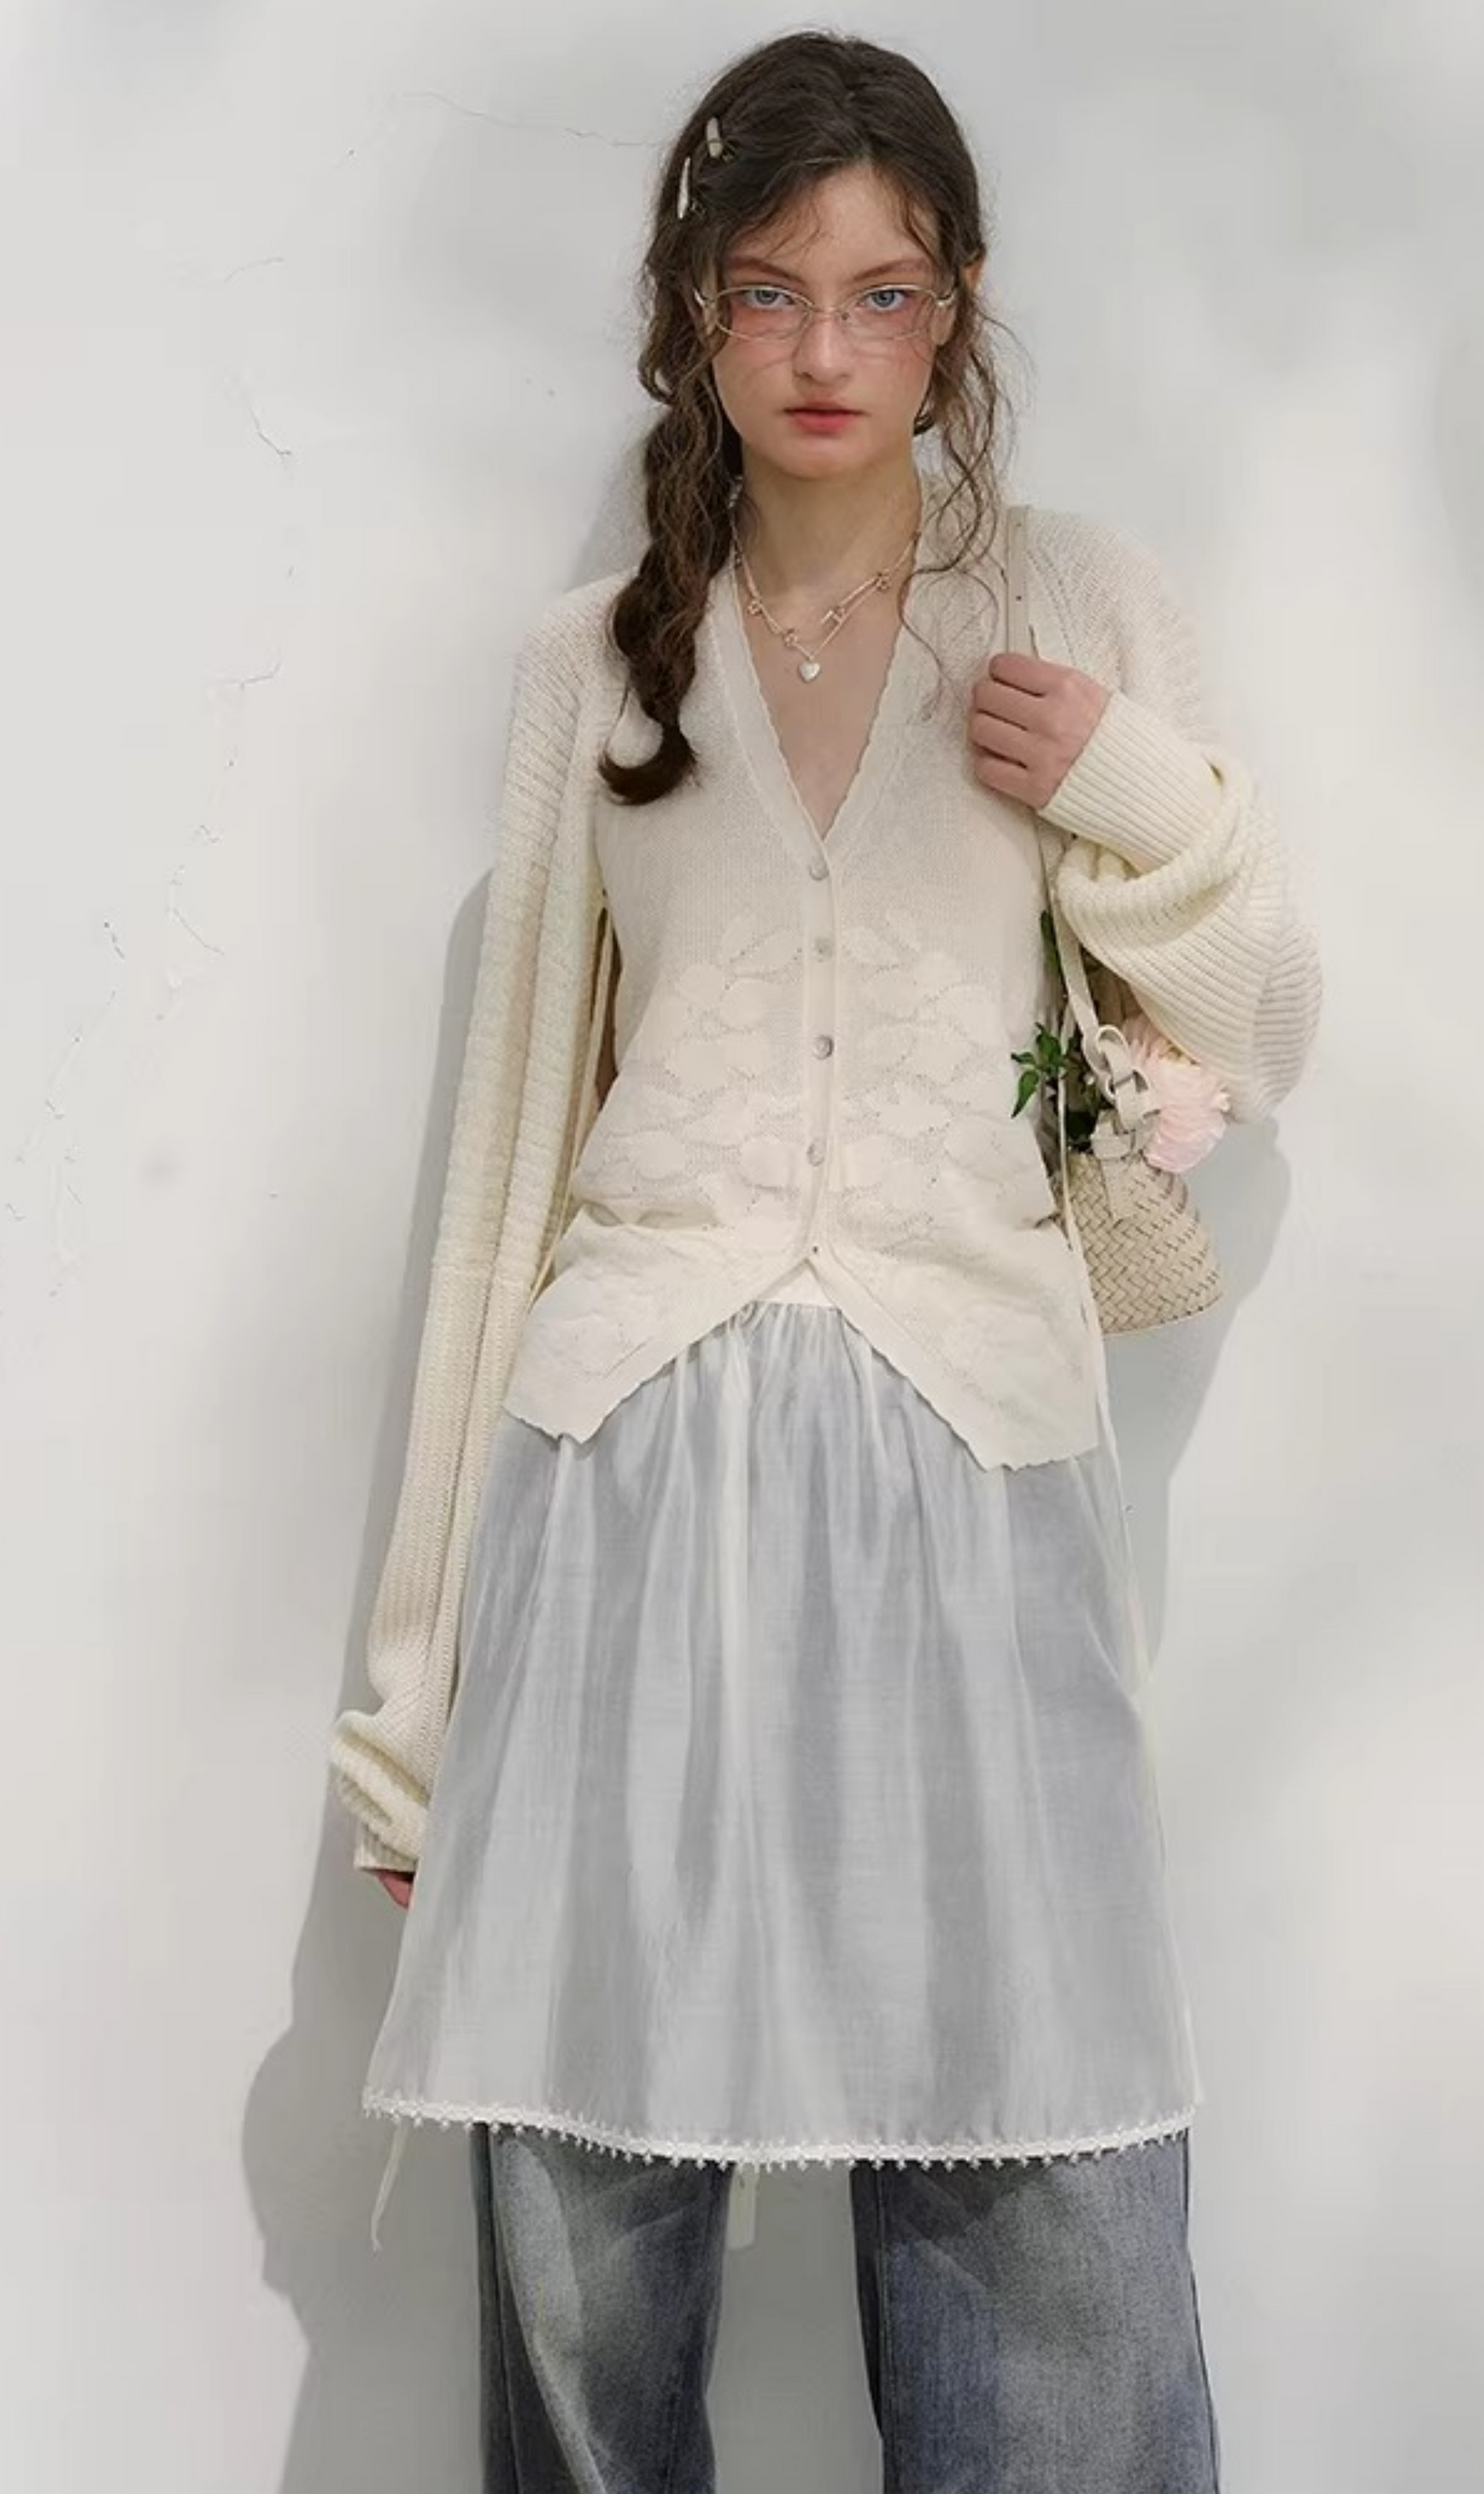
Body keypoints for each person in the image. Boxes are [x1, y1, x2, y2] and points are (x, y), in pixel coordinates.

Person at [328, 29, 1321, 2492]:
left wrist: (1117, 776)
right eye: (767, 293)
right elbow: (504, 1170)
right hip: (627, 1470)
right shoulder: (597, 660)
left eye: (882, 296)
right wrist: (413, 1695)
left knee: (1045, 2203)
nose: (823, 352)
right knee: (586, 2248)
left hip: (970, 1472)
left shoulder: (1069, 605)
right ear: (692, 314)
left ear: (955, 311)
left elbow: (1266, 1021)